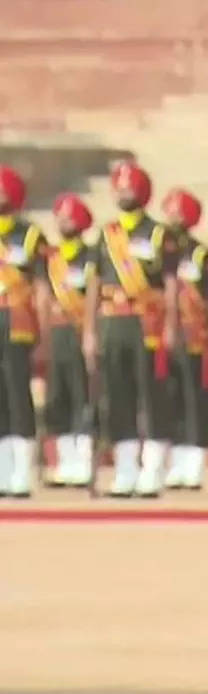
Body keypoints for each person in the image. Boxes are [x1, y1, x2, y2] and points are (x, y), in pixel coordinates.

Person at [83, 160, 181, 498]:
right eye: (118, 186)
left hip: (147, 324)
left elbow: (170, 284)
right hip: (112, 321)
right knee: (118, 395)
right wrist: (90, 330)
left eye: (129, 186)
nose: (122, 192)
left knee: (150, 394)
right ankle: (125, 469)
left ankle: (152, 469)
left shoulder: (159, 234)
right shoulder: (107, 235)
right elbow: (95, 283)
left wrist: (170, 324)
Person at [160, 189, 208, 490]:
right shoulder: (157, 253)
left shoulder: (202, 256)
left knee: (195, 399)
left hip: (196, 337)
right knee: (170, 399)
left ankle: (194, 463)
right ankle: (175, 462)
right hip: (165, 337)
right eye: (169, 211)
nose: (173, 218)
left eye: (179, 213)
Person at [0, 165, 48, 497]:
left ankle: (22, 473)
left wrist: (43, 334)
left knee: (18, 394)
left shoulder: (30, 236)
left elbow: (43, 288)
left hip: (18, 322)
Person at [42, 193, 95, 488]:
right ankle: (65, 462)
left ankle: (83, 461)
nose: (63, 221)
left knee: (81, 394)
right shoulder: (51, 258)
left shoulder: (90, 257)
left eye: (69, 216)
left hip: (79, 331)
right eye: (59, 216)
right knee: (57, 396)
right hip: (57, 331)